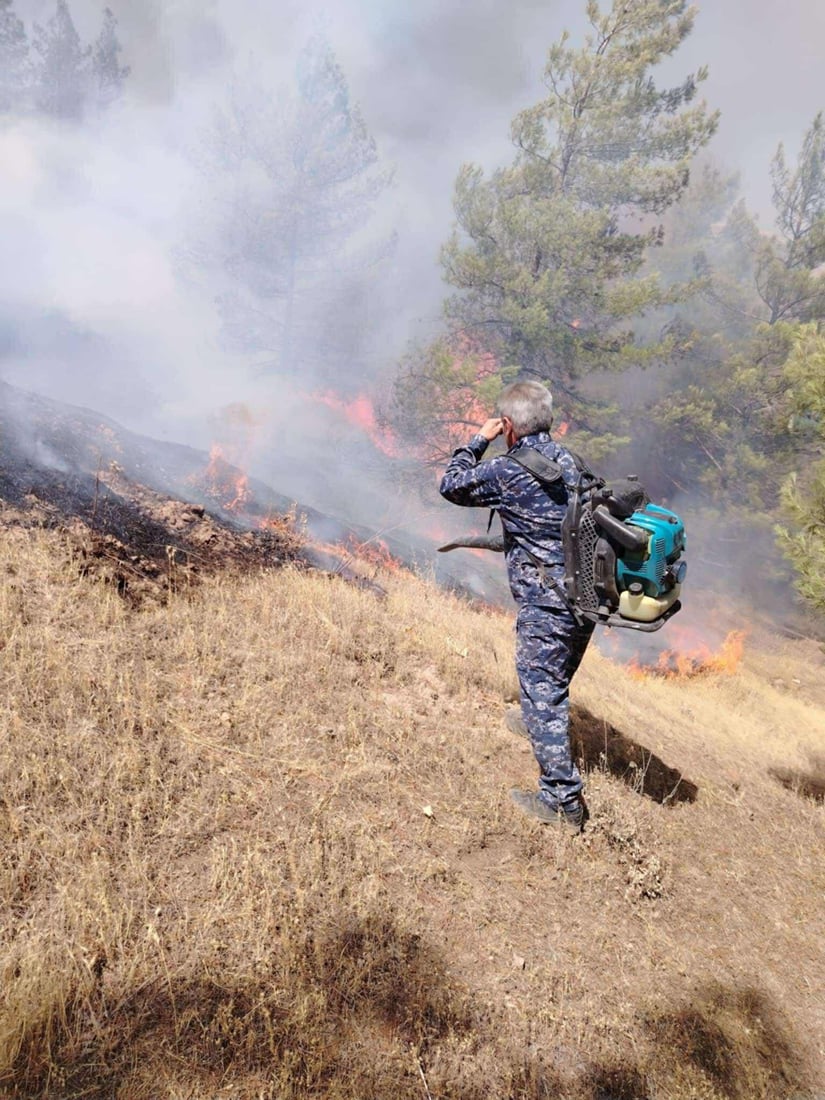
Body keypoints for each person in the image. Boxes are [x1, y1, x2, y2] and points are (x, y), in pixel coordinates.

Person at [439, 380, 594, 831]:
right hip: (583, 595)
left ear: (508, 425)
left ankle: (563, 803)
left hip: (547, 602)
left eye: (500, 425)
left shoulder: (509, 470)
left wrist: (477, 440)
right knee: (555, 678)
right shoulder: (571, 461)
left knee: (541, 687)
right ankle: (536, 722)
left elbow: (451, 485)